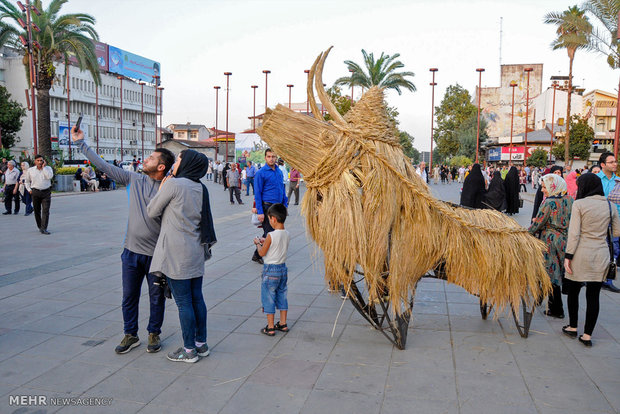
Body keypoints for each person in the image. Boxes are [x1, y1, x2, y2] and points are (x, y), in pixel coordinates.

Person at [72, 126, 175, 354]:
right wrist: (81, 143)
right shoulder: (134, 179)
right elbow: (104, 166)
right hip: (130, 252)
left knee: (156, 298)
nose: (145, 160)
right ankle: (131, 334)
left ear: (160, 167)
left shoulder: (171, 189)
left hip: (157, 256)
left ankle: (153, 333)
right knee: (129, 296)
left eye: (151, 158)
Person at [147, 149, 216, 362]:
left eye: (178, 159)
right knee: (197, 299)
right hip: (195, 250)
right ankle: (200, 344)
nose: (175, 163)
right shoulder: (200, 187)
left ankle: (188, 351)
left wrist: (164, 185)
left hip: (177, 252)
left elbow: (151, 211)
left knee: (184, 302)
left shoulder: (175, 184)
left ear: (186, 163)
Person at [563, 173, 620, 346]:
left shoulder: (579, 204)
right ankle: (587, 335)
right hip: (601, 253)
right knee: (593, 296)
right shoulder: (610, 205)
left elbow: (574, 234)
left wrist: (568, 256)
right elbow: (616, 232)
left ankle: (573, 327)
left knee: (573, 292)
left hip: (580, 253)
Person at [528, 174, 572, 319]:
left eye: (544, 187)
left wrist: (526, 234)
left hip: (550, 241)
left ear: (553, 187)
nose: (542, 190)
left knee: (552, 274)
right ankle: (544, 299)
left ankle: (557, 308)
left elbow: (538, 223)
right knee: (558, 271)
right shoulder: (569, 200)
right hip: (565, 241)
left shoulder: (550, 202)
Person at [253, 203, 290, 336]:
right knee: (282, 295)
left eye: (269, 219)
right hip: (282, 269)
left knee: (268, 297)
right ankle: (283, 323)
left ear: (273, 219)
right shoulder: (287, 233)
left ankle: (270, 327)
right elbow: (277, 245)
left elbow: (262, 253)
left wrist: (258, 243)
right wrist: (266, 241)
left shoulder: (270, 235)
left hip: (270, 270)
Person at [252, 148, 288, 264]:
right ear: (265, 158)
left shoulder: (279, 171)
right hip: (267, 207)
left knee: (273, 231)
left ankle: (258, 253)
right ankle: (261, 255)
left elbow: (282, 189)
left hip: (278, 206)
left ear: (276, 158)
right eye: (269, 156)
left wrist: (285, 205)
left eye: (273, 156)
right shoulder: (261, 173)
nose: (271, 159)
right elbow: (257, 193)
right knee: (269, 232)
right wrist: (260, 212)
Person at [596, 152, 620, 292]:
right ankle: (595, 278)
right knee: (599, 248)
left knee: (614, 248)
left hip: (616, 219)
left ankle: (608, 279)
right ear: (603, 165)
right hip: (599, 219)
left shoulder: (618, 181)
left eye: (615, 161)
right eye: (611, 162)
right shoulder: (595, 179)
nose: (615, 164)